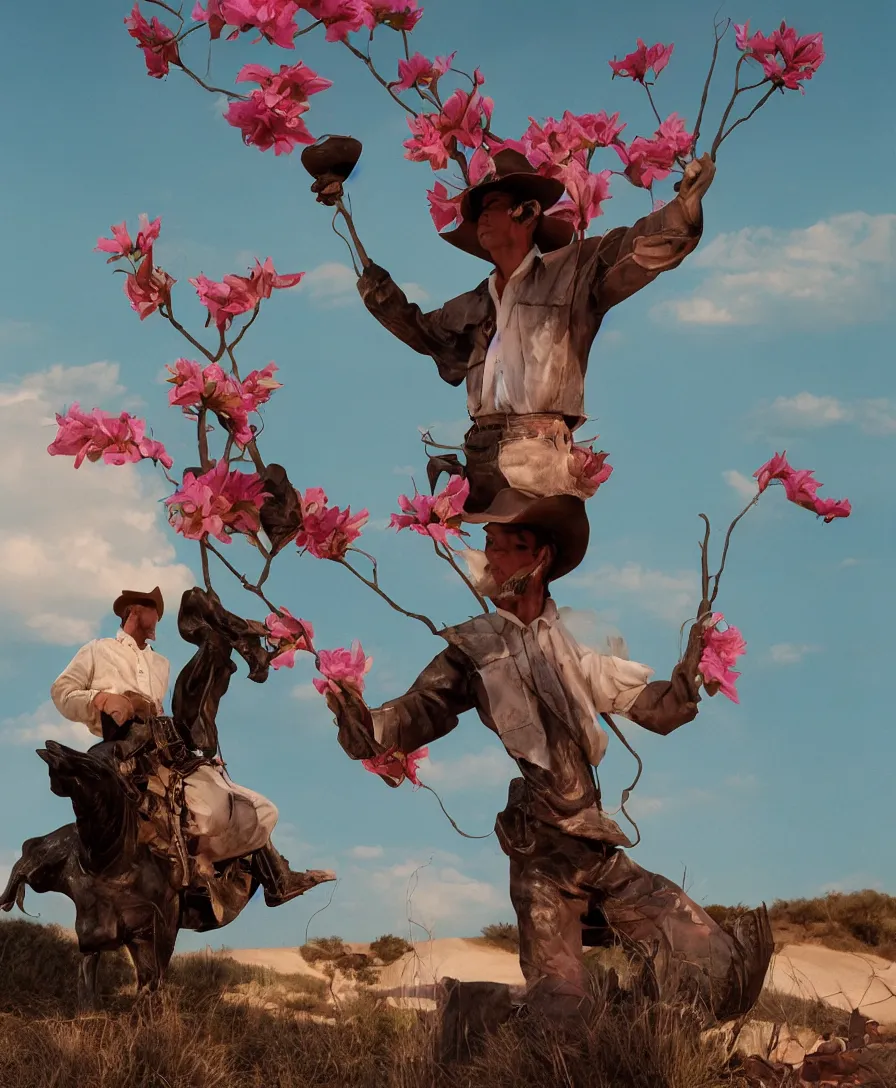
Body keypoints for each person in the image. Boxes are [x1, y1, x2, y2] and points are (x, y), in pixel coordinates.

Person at [326, 500, 771, 1020]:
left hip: (595, 845)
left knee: (713, 962)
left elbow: (648, 707)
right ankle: (481, 1020)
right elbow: (416, 712)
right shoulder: (472, 649)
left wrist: (687, 680)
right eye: (488, 544)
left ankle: (634, 1033)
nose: (490, 558)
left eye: (505, 546)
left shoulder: (581, 634)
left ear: (539, 557)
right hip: (540, 850)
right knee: (559, 1009)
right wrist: (358, 720)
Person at [355, 148, 715, 517]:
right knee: (495, 556)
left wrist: (683, 206)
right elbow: (425, 334)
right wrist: (376, 287)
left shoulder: (574, 271)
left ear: (526, 212)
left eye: (492, 205)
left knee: (529, 546)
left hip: (538, 458)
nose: (482, 218)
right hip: (481, 459)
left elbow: (636, 250)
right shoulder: (474, 303)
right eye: (478, 212)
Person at [50, 586, 334, 906]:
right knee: (160, 807)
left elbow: (161, 711)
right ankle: (183, 868)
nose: (158, 618)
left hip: (163, 741)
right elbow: (62, 691)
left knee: (243, 803)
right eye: (153, 611)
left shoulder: (161, 664)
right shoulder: (97, 650)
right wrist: (100, 698)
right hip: (120, 743)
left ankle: (276, 880)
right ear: (134, 611)